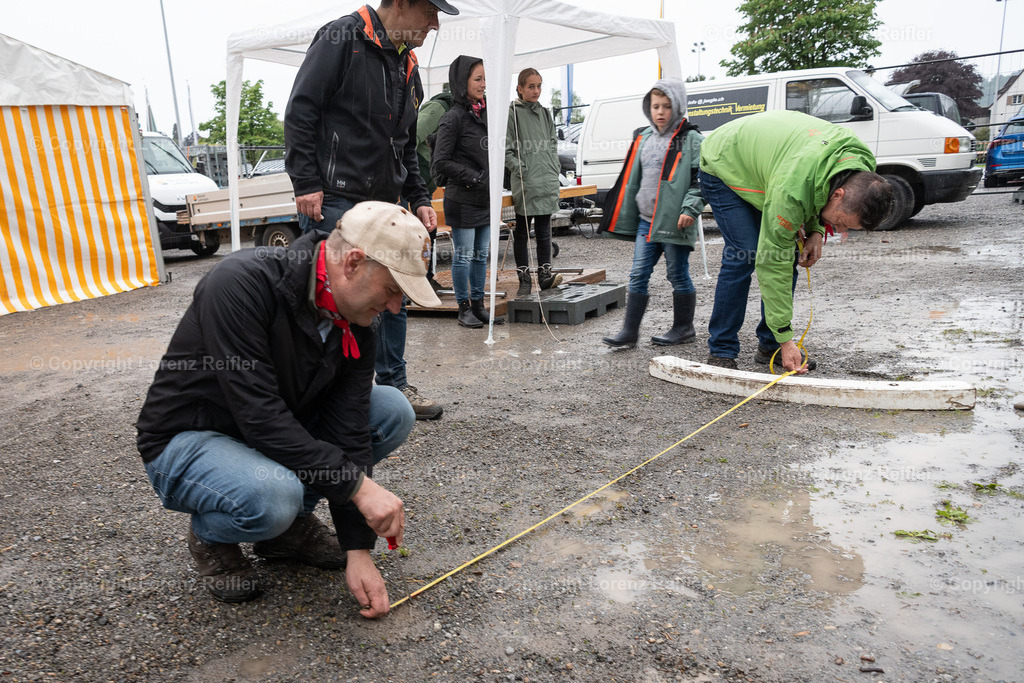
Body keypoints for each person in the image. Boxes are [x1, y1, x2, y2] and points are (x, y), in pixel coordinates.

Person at [137, 202, 443, 617]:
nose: (394, 308)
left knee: (390, 408)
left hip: (266, 434)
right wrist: (358, 488)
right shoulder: (240, 283)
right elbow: (259, 416)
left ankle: (285, 531)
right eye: (392, 290)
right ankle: (212, 534)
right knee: (272, 495)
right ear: (353, 262)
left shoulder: (355, 322)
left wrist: (358, 550)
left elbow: (348, 427)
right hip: (191, 437)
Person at [284, 0, 459, 420]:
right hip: (335, 197)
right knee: (330, 297)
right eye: (431, 13)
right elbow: (301, 111)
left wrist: (418, 197)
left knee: (395, 288)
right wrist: (306, 182)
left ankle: (391, 388)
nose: (435, 24)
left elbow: (404, 145)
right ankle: (323, 393)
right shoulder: (342, 38)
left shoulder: (407, 63)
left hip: (387, 203)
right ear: (400, 2)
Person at [699, 110, 894, 373]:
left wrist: (817, 230)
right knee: (746, 253)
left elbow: (818, 187)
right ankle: (722, 348)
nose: (838, 231)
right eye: (841, 223)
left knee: (790, 251)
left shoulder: (860, 167)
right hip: (726, 161)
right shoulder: (791, 191)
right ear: (838, 195)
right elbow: (772, 261)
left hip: (776, 166)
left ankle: (769, 345)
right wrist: (787, 338)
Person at [600, 78, 705, 349]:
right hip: (646, 222)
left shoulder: (691, 139)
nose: (659, 112)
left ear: (678, 106)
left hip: (674, 222)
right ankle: (629, 332)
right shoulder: (644, 137)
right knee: (638, 274)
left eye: (666, 106)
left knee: (677, 274)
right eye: (655, 106)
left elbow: (700, 180)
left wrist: (690, 210)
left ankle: (683, 328)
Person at [430, 55, 505, 329]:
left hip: (484, 199)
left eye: (485, 78)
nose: (484, 84)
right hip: (462, 198)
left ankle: (478, 305)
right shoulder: (453, 118)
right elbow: (440, 162)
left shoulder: (485, 113)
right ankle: (463, 309)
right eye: (478, 79)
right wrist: (474, 177)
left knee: (481, 255)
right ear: (462, 83)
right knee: (464, 255)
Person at [506, 67, 563, 297]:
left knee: (544, 228)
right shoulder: (513, 112)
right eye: (531, 86)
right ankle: (524, 278)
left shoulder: (546, 112)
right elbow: (506, 147)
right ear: (519, 88)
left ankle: (545, 275)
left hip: (546, 177)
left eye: (539, 86)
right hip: (526, 179)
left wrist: (554, 166)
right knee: (522, 229)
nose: (536, 90)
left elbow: (552, 144)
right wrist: (519, 168)